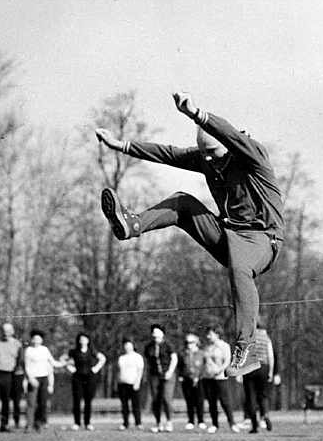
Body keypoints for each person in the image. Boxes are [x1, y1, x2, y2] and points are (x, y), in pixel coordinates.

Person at [95, 91, 284, 378]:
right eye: (205, 155)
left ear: (230, 148)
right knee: (183, 202)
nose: (211, 162)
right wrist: (121, 145)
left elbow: (229, 134)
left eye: (216, 155)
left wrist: (195, 113)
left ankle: (245, 349)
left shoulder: (252, 156)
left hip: (262, 239)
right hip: (229, 236)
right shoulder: (209, 158)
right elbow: (168, 153)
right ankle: (134, 225)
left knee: (240, 267)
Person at [200, 326, 240, 433]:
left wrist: (219, 370)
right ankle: (214, 424)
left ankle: (232, 424)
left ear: (217, 334)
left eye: (210, 334)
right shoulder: (207, 346)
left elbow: (227, 361)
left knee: (225, 401)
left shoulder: (224, 346)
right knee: (211, 402)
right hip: (208, 377)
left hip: (220, 377)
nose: (208, 336)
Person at [63, 332, 106, 430]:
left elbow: (103, 358)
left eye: (85, 339)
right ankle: (76, 423)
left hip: (90, 377)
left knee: (88, 400)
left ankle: (87, 423)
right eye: (81, 339)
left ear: (88, 340)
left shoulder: (92, 351)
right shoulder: (74, 351)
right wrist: (70, 368)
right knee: (76, 400)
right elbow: (63, 359)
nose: (83, 341)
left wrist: (96, 368)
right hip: (77, 377)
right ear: (78, 341)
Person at [23, 329, 63, 431]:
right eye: (34, 338)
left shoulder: (45, 350)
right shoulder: (29, 351)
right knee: (31, 403)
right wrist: (31, 378)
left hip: (44, 378)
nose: (36, 340)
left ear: (41, 340)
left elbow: (53, 362)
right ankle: (29, 425)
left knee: (42, 403)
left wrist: (64, 363)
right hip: (33, 379)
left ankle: (39, 424)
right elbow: (27, 366)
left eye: (38, 338)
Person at [143, 324, 178, 433]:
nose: (156, 338)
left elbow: (174, 358)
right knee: (155, 399)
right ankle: (158, 422)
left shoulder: (168, 345)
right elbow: (148, 360)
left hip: (167, 373)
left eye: (158, 336)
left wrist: (170, 372)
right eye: (154, 336)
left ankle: (169, 421)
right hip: (154, 375)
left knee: (166, 398)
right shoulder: (149, 346)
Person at [242, 321, 275, 433]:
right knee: (263, 395)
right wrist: (270, 371)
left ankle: (254, 425)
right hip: (264, 367)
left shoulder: (248, 337)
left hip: (250, 367)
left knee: (251, 397)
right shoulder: (266, 338)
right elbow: (271, 356)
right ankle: (265, 415)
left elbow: (243, 354)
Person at [0, 322, 23, 432]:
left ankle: (4, 424)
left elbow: (19, 361)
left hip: (8, 374)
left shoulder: (17, 344)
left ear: (12, 332)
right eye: (4, 331)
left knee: (6, 401)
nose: (5, 333)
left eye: (8, 331)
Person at [177, 333, 205, 430]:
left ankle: (201, 421)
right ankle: (191, 421)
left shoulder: (201, 353)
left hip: (199, 380)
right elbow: (180, 366)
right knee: (189, 400)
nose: (189, 344)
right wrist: (181, 376)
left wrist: (199, 376)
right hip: (187, 379)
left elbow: (203, 367)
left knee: (199, 401)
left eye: (191, 342)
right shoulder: (183, 353)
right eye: (187, 342)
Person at [116, 338, 145, 430]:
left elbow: (140, 370)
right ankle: (125, 423)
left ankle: (138, 423)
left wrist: (137, 382)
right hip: (123, 384)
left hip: (134, 384)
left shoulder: (138, 357)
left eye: (129, 346)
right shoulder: (122, 358)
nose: (127, 348)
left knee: (136, 404)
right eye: (126, 346)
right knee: (124, 405)